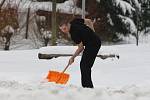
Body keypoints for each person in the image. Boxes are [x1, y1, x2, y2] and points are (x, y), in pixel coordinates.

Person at [59, 18, 101, 88]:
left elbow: (81, 48)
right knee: (84, 65)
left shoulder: (74, 34)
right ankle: (87, 87)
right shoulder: (75, 21)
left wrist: (73, 57)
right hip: (92, 42)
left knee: (84, 66)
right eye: (62, 30)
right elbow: (89, 21)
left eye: (64, 28)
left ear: (68, 24)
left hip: (93, 44)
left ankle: (87, 88)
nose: (64, 31)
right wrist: (93, 33)